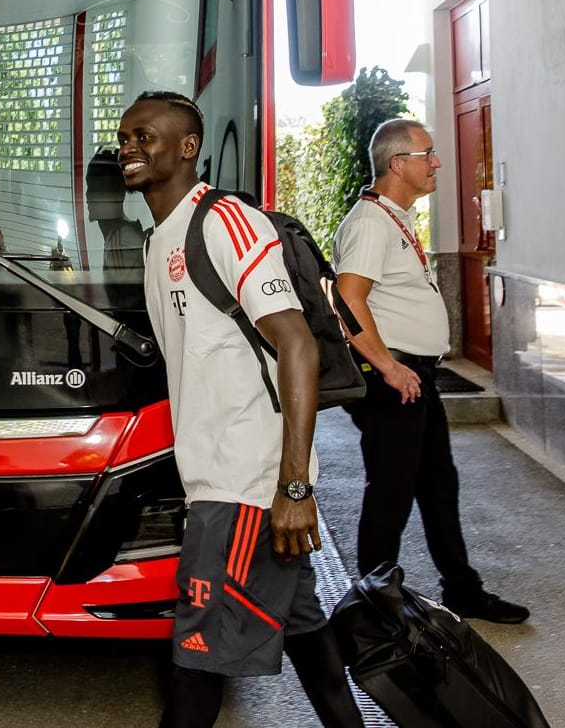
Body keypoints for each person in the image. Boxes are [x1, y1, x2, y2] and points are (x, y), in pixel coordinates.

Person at [118, 91, 361, 728]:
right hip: (217, 476)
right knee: (308, 636)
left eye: (145, 136)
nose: (130, 148)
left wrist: (294, 484)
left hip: (244, 483)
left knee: (197, 660)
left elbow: (297, 343)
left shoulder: (224, 223)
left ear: (187, 147)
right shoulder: (159, 241)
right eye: (126, 137)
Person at [331, 119, 527, 623]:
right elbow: (348, 301)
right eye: (428, 153)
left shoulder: (392, 216)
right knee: (390, 495)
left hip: (414, 378)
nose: (437, 162)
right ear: (399, 164)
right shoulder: (369, 223)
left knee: (438, 485)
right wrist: (389, 368)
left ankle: (461, 588)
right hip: (392, 381)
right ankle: (371, 608)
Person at [86, 148, 146, 275]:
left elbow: (127, 294)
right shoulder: (117, 237)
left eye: (97, 189)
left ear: (118, 194)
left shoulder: (121, 244)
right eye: (89, 187)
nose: (88, 195)